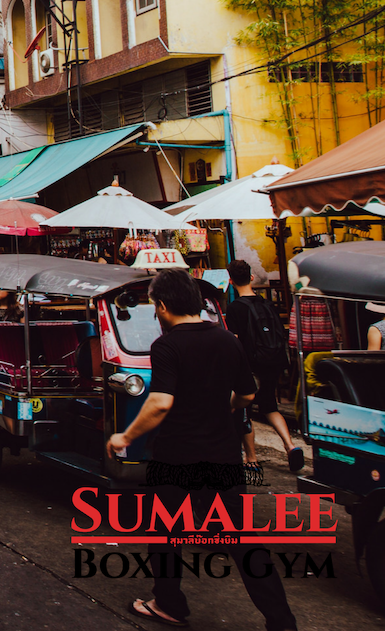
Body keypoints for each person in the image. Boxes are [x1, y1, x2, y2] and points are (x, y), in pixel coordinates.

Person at [107, 270, 298, 631]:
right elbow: (247, 395)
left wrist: (125, 437)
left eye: (154, 307)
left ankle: (169, 604)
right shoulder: (228, 340)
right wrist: (222, 405)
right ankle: (282, 621)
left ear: (162, 307)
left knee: (165, 533)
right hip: (223, 453)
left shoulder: (167, 346)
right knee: (241, 539)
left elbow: (161, 403)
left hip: (177, 455)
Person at [226, 260, 303, 472]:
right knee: (270, 406)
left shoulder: (234, 309)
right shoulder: (267, 305)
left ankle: (251, 459)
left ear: (231, 281)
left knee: (245, 411)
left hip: (250, 366)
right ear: (251, 277)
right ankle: (290, 445)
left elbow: (235, 340)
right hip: (272, 363)